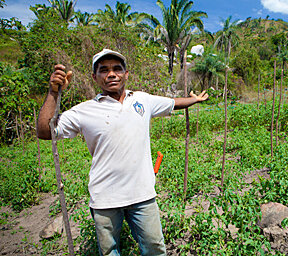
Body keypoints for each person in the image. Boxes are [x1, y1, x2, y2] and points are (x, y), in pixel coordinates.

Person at [37, 49, 208, 256]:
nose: (111, 74)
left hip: (143, 195)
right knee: (110, 252)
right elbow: (46, 132)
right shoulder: (84, 111)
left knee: (155, 248)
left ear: (126, 74)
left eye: (117, 69)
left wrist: (194, 100)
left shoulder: (142, 100)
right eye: (104, 70)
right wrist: (53, 92)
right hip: (105, 199)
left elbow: (172, 103)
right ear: (95, 77)